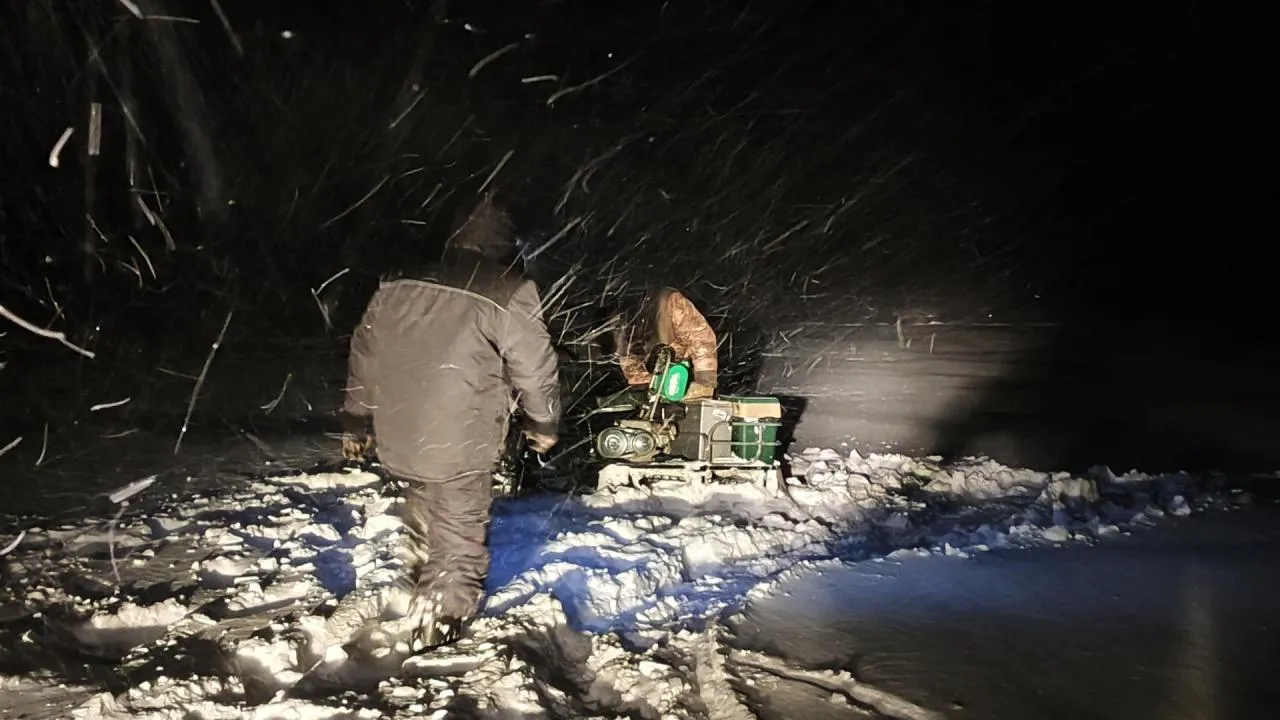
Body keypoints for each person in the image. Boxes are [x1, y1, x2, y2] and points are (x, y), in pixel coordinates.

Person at [338, 193, 561, 651]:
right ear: (504, 243)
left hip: (400, 429)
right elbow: (535, 367)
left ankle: (424, 560)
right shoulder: (508, 288)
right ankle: (440, 618)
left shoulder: (398, 281)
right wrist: (544, 423)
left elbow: (365, 352)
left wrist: (356, 419)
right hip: (459, 435)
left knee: (429, 500)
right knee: (460, 532)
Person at [613, 285, 719, 400]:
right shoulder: (624, 313)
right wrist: (642, 387)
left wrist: (705, 382)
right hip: (658, 371)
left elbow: (702, 338)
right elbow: (627, 354)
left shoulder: (671, 302)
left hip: (686, 371)